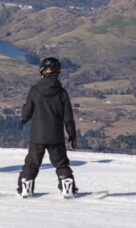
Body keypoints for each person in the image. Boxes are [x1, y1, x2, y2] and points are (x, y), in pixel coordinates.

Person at [17, 57, 79, 198]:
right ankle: (67, 186)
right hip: (56, 136)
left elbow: (27, 112)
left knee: (32, 163)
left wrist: (22, 119)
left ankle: (26, 187)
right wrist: (72, 135)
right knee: (61, 163)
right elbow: (68, 118)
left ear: (43, 71)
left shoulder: (34, 90)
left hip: (37, 136)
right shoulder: (62, 93)